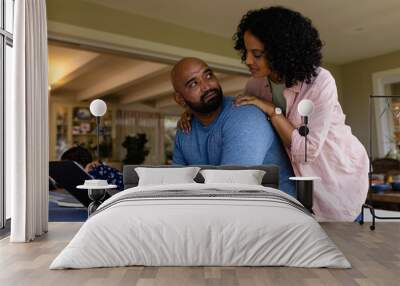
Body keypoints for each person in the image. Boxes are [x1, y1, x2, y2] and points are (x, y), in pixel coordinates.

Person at [231, 6, 369, 221]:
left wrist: (272, 110)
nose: (248, 60)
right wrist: (194, 113)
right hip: (297, 184)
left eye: (257, 54)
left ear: (282, 52)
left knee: (347, 244)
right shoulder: (256, 86)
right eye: (246, 52)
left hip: (337, 174)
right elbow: (239, 110)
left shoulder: (320, 81)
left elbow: (307, 149)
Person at [171, 57, 296, 196]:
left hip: (278, 212)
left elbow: (230, 191)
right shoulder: (185, 129)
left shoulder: (245, 116)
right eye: (194, 83)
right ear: (180, 99)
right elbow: (176, 188)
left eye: (208, 75)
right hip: (230, 211)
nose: (207, 86)